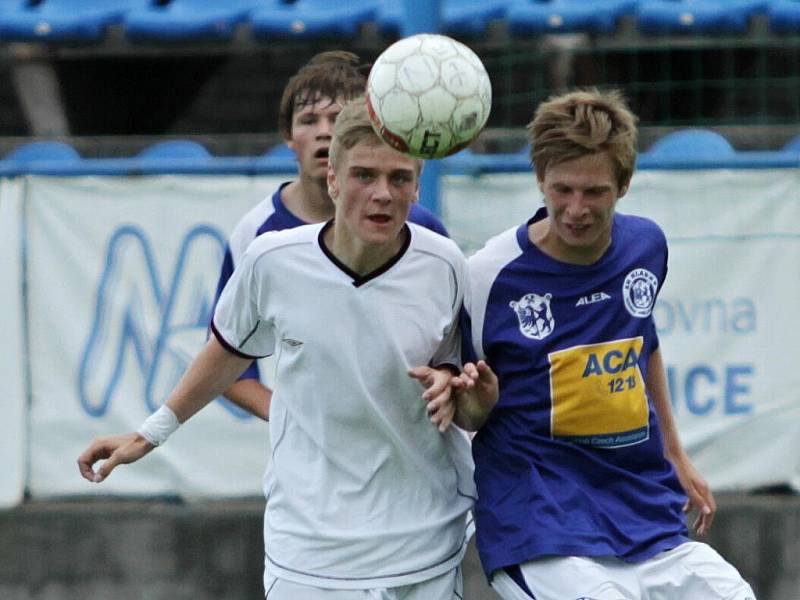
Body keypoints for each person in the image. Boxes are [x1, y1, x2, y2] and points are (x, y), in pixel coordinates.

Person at [78, 97, 481, 600]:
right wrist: (148, 435)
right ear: (332, 179)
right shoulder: (272, 258)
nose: (382, 194)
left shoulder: (444, 263)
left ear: (417, 186)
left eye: (399, 178)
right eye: (363, 176)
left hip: (422, 540)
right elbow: (226, 353)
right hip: (309, 547)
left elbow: (464, 377)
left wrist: (451, 381)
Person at [455, 88, 756, 599]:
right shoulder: (488, 275)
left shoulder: (646, 246)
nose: (576, 209)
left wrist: (675, 455)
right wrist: (477, 404)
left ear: (624, 185)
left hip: (641, 513)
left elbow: (644, 344)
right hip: (539, 522)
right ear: (540, 180)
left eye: (594, 192)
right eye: (562, 189)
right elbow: (459, 401)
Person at [216, 50, 448, 420]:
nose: (324, 131)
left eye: (337, 118)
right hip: (318, 464)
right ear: (289, 136)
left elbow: (450, 349)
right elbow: (228, 363)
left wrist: (447, 383)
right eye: (309, 119)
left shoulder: (421, 228)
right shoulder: (258, 235)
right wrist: (296, 421)